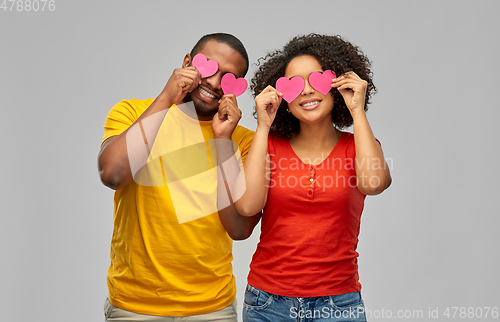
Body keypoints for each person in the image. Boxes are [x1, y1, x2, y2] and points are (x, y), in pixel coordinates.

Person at [98, 33, 260, 321]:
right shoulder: (133, 113)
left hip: (212, 308)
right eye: (208, 68)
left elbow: (239, 228)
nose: (212, 82)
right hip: (134, 306)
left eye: (227, 79)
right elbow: (112, 174)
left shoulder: (246, 142)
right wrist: (166, 98)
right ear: (187, 62)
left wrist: (223, 140)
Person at [234, 34, 392, 321]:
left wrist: (357, 111)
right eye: (294, 84)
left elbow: (374, 183)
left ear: (337, 86)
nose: (306, 91)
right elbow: (247, 206)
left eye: (317, 80)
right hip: (267, 303)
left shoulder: (358, 147)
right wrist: (262, 127)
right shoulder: (267, 146)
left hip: (339, 304)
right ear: (282, 97)